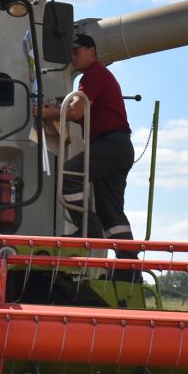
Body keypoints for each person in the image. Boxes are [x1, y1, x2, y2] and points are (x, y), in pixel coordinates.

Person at [41, 33, 135, 245]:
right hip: (118, 148)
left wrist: (50, 113)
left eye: (77, 51)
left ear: (92, 51)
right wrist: (57, 110)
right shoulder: (99, 75)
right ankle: (128, 268)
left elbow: (75, 112)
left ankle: (88, 229)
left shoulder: (93, 75)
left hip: (109, 145)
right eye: (71, 53)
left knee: (69, 175)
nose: (73, 57)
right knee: (111, 212)